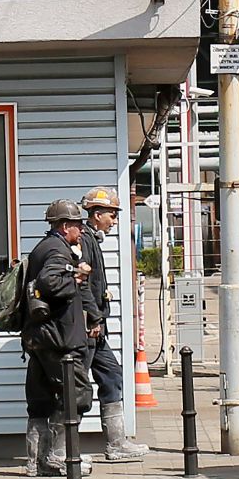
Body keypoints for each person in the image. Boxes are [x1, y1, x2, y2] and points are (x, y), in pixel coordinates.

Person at [23, 199, 95, 477]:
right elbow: (50, 283)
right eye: (78, 224)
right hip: (58, 338)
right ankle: (59, 456)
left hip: (40, 336)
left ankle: (36, 462)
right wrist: (77, 278)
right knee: (77, 395)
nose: (81, 229)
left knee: (41, 399)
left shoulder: (43, 247)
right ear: (65, 226)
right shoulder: (57, 249)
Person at [79, 186, 150, 460]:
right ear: (96, 215)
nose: (114, 220)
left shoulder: (91, 240)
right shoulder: (85, 241)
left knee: (111, 375)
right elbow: (81, 283)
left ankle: (116, 444)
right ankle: (63, 452)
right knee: (76, 386)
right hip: (88, 327)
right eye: (111, 214)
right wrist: (94, 317)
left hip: (96, 328)